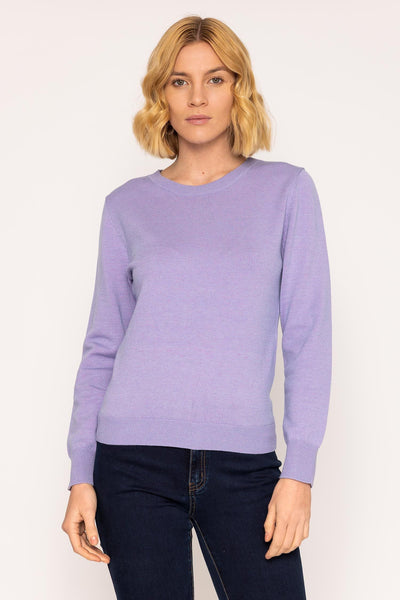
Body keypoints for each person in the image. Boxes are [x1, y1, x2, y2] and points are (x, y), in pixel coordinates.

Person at [61, 15, 332, 600]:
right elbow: (103, 345)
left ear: (239, 88)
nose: (198, 97)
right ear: (161, 94)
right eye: (179, 81)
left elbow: (307, 336)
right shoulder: (127, 207)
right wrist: (81, 474)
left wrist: (300, 472)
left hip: (244, 464)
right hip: (130, 464)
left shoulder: (287, 191)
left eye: (215, 79)